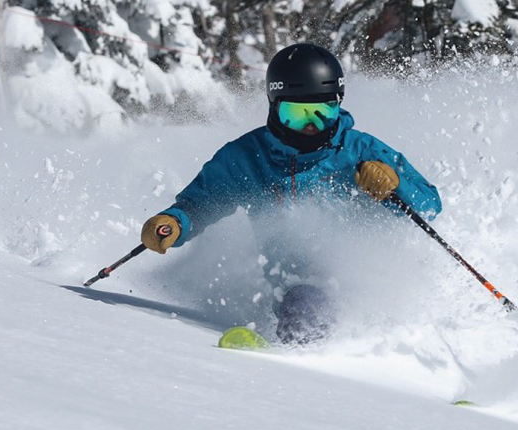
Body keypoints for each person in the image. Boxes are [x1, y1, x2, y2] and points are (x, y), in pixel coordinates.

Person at [140, 43, 441, 343]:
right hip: (294, 284)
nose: (312, 126)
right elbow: (200, 204)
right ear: (274, 104)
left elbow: (430, 204)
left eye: (324, 112)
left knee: (321, 309)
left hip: (367, 280)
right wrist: (174, 222)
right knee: (305, 306)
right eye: (297, 115)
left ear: (339, 103)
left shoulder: (360, 151)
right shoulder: (247, 157)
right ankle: (299, 365)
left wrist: (395, 184)